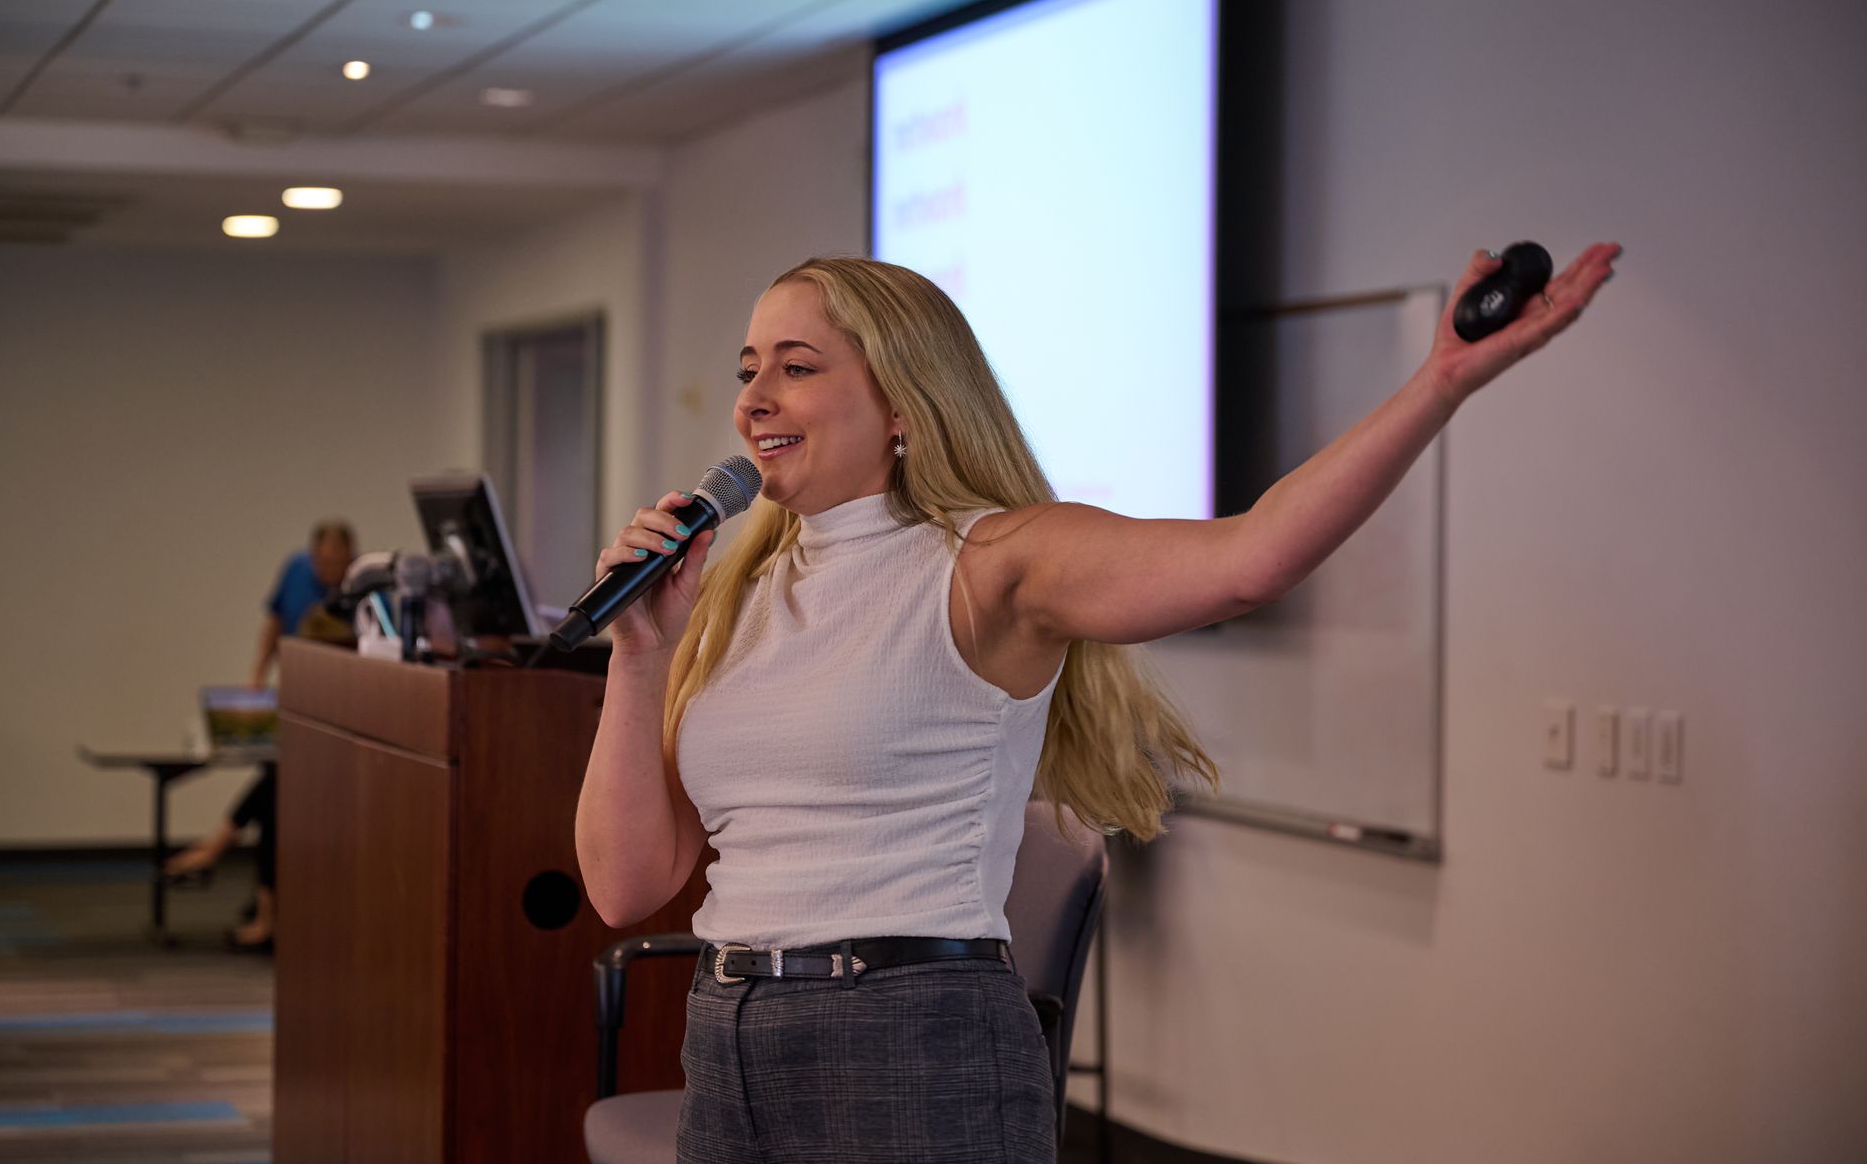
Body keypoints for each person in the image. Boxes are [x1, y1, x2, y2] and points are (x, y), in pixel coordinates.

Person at [575, 245, 1620, 1162]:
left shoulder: (991, 561)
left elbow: (1250, 558)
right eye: (751, 369)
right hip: (726, 1033)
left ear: (903, 404)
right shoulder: (733, 589)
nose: (754, 397)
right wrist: (638, 656)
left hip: (906, 1041)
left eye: (797, 369)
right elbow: (627, 884)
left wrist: (1437, 384)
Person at [167, 519, 357, 950]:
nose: (329, 568)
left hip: (335, 723)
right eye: (323, 561)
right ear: (312, 558)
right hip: (300, 708)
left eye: (337, 561)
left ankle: (221, 852)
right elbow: (273, 623)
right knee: (275, 786)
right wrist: (257, 676)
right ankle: (256, 896)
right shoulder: (294, 572)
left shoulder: (363, 594)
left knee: (276, 788)